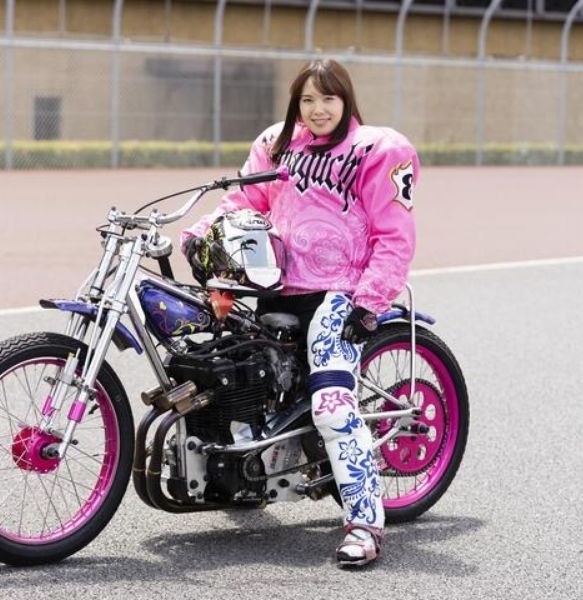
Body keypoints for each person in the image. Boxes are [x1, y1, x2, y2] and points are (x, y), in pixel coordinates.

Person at [181, 58, 418, 567]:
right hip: (276, 287)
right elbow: (244, 202)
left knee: (332, 404)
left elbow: (395, 236)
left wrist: (369, 302)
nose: (316, 110)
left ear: (345, 100)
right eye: (306, 101)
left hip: (339, 292)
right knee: (230, 374)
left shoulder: (380, 150)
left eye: (327, 99)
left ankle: (365, 524)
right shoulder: (275, 144)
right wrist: (200, 234)